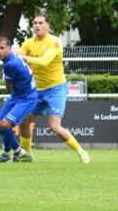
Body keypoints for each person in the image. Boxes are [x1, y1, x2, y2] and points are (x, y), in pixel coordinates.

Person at [16, 14, 90, 163]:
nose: (37, 26)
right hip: (37, 90)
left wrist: (24, 58)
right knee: (24, 120)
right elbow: (17, 59)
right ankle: (27, 154)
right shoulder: (28, 43)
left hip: (56, 88)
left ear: (47, 26)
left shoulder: (55, 41)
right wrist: (12, 54)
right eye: (35, 23)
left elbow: (45, 62)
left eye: (40, 23)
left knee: (54, 126)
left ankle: (81, 152)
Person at [0, 36, 38, 163]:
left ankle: (11, 152)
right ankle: (14, 151)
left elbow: (8, 86)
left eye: (2, 48)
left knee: (5, 125)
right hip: (16, 96)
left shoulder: (10, 65)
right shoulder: (13, 57)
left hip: (27, 98)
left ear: (9, 48)